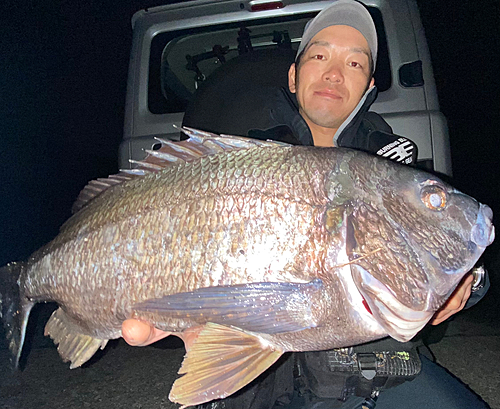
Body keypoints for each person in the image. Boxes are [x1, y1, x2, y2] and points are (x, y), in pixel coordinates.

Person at [121, 1, 490, 408]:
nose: (334, 72)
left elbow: (431, 269)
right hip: (257, 386)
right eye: (319, 55)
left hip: (366, 373)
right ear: (294, 77)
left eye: (354, 64)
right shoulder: (241, 165)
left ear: (368, 87)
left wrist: (472, 281)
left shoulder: (391, 166)